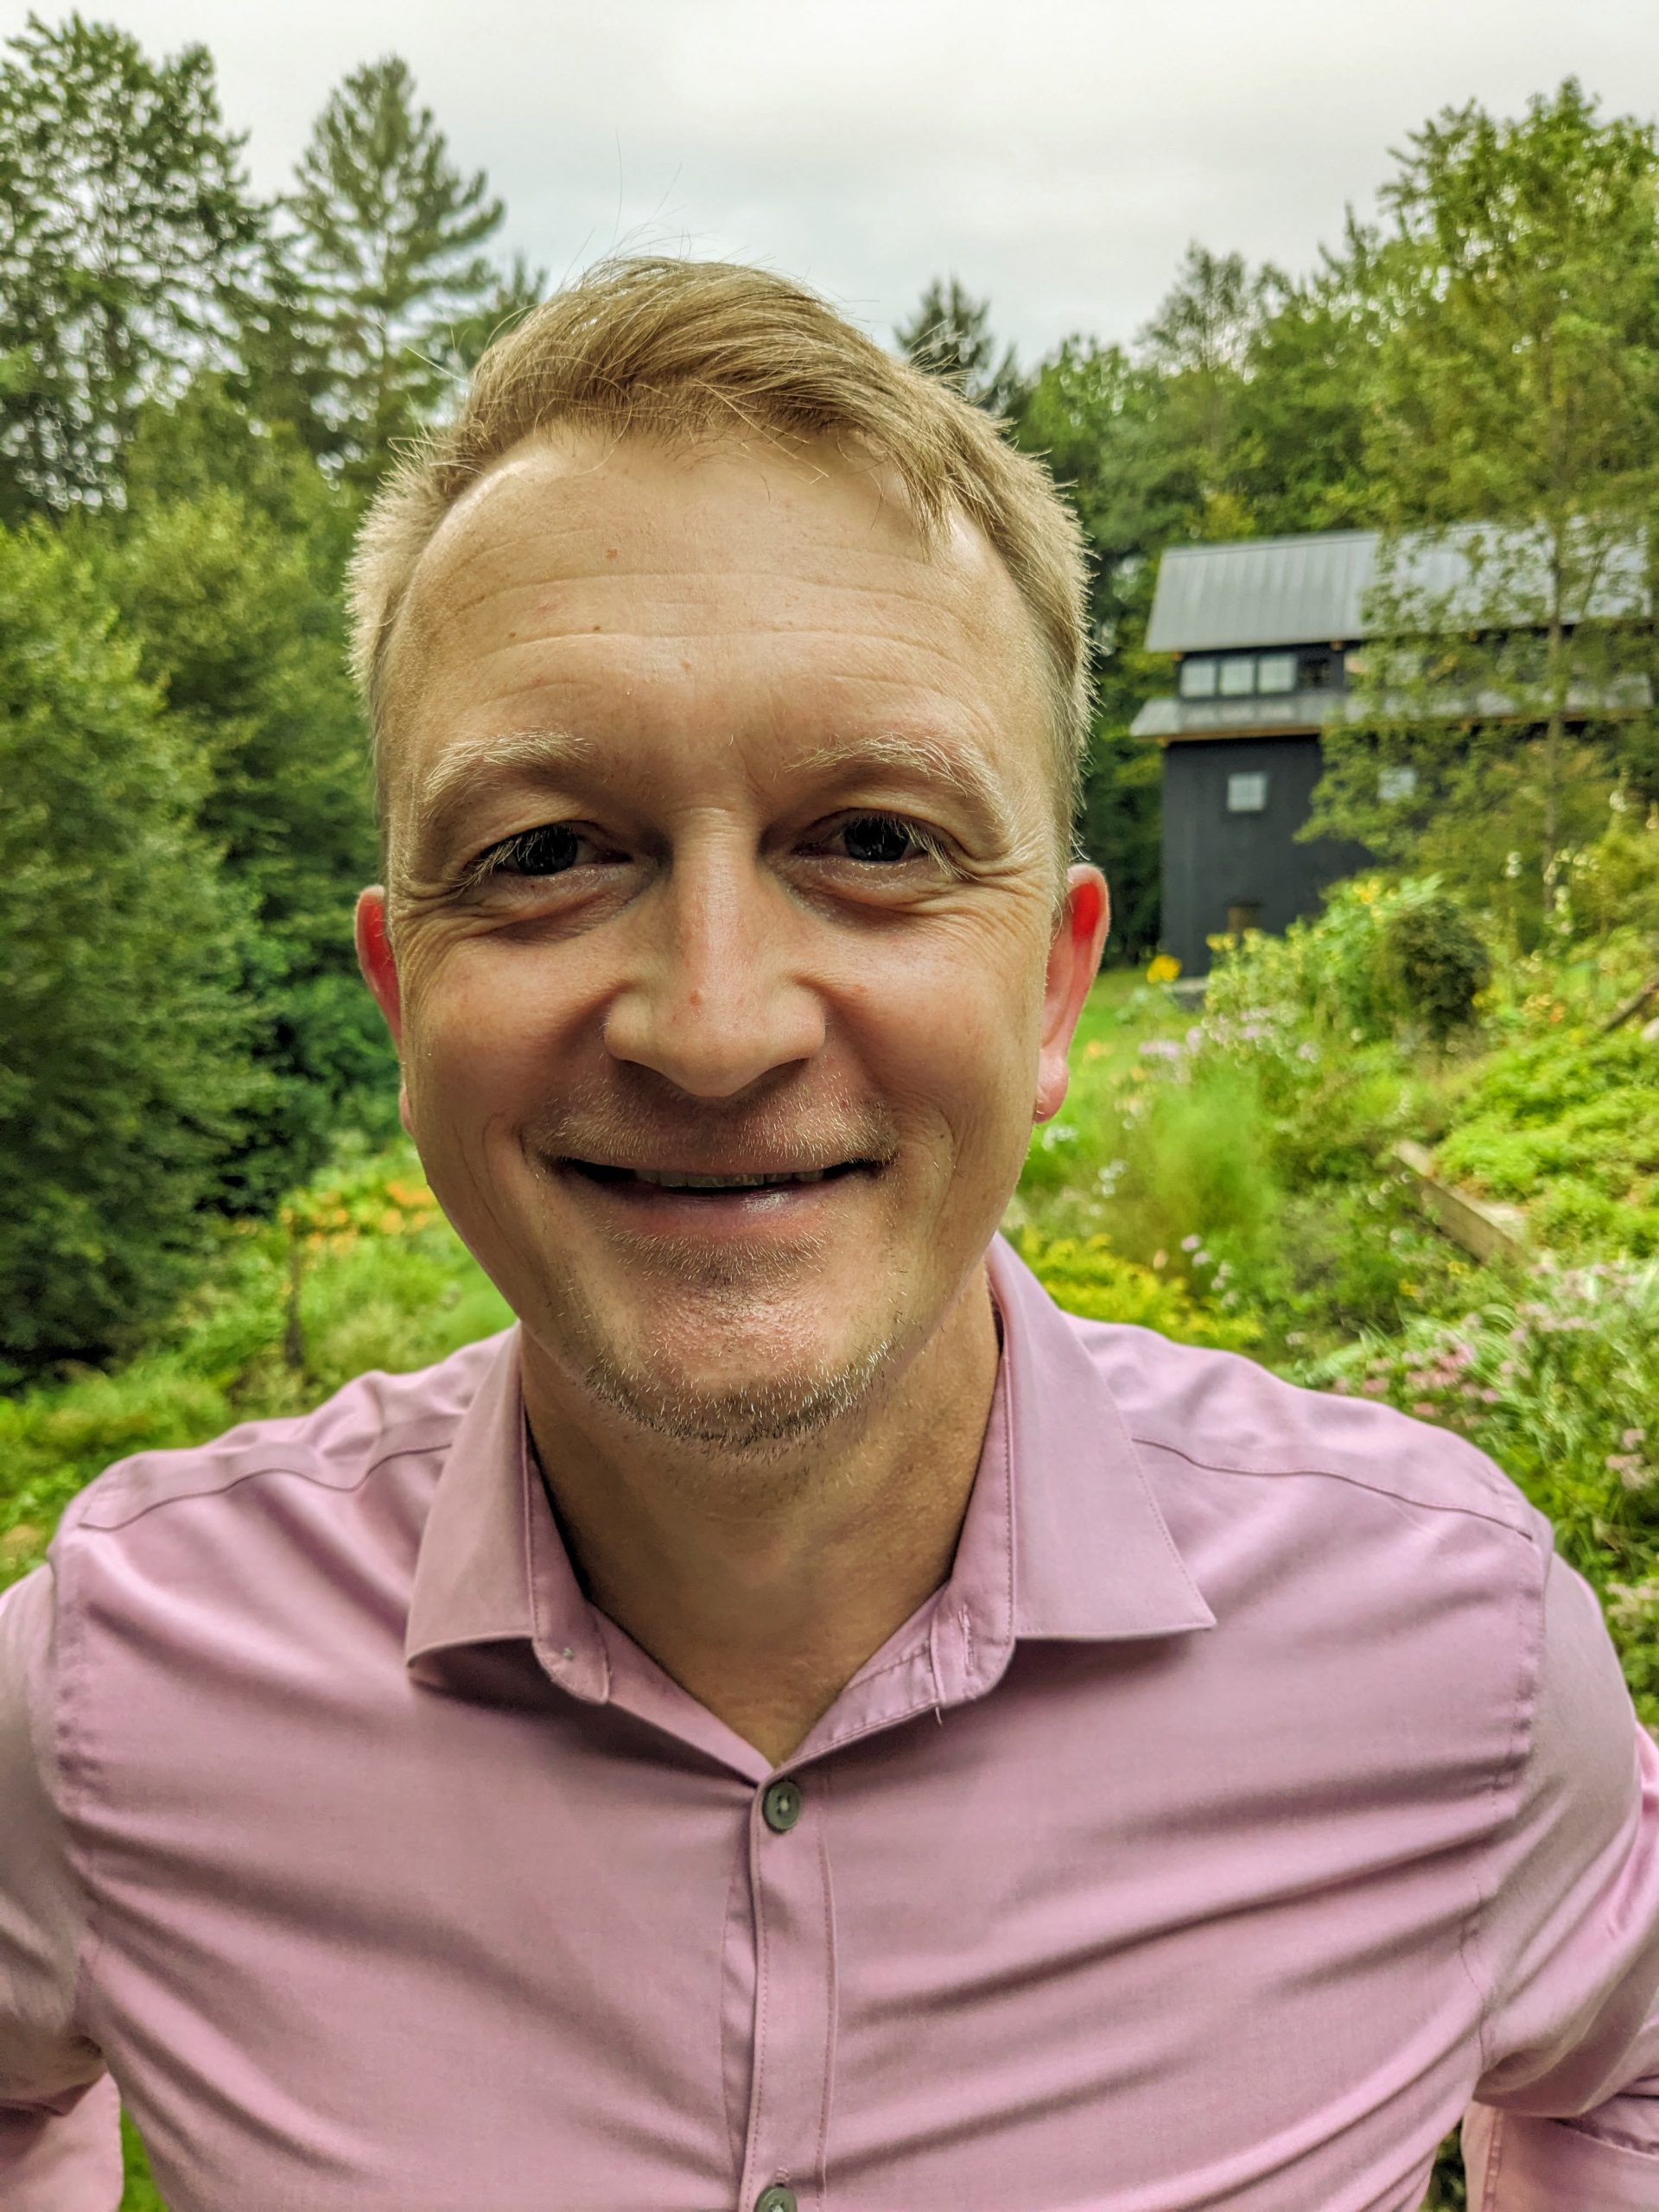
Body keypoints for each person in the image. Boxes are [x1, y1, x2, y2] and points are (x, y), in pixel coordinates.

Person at [2, 257, 1656, 2212]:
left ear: (1055, 986)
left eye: (875, 840)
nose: (714, 1026)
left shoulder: (1457, 1658)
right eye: (546, 853)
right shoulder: (107, 1694)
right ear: (399, 996)